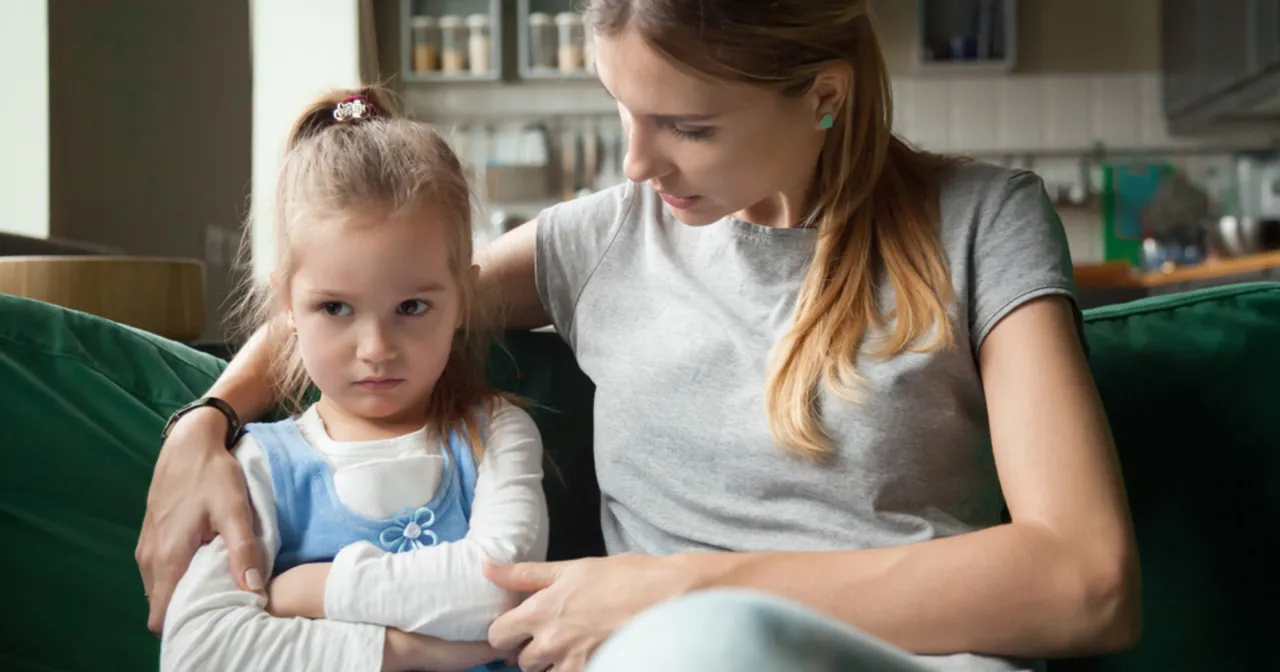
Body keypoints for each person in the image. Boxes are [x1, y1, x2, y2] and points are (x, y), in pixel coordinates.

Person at [138, 0, 1142, 670]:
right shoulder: (602, 240)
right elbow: (369, 300)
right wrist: (207, 422)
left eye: (688, 126)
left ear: (823, 96)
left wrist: (678, 590)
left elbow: (1086, 582)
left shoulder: (980, 221)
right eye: (621, 109)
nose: (637, 163)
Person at [156, 87, 548, 672]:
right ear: (287, 304)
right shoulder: (260, 463)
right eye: (336, 309)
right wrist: (412, 652)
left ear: (462, 299)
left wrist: (313, 591)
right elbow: (197, 652)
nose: (377, 349)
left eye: (412, 307)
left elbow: (503, 587)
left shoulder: (495, 433)